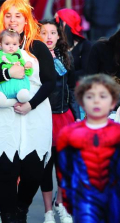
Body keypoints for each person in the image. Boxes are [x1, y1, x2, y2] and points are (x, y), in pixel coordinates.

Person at [0, 0, 56, 222]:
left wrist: (32, 103)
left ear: (26, 19)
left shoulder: (37, 46)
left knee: (33, 173)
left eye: (17, 16)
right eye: (8, 15)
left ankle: (22, 208)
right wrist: (7, 75)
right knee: (6, 173)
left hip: (34, 115)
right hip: (2, 116)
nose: (12, 21)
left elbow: (50, 82)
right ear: (2, 18)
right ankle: (10, 217)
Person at [57, 74, 120, 223]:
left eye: (103, 96)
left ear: (113, 102)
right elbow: (64, 170)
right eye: (90, 97)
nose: (96, 101)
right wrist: (67, 198)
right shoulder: (68, 133)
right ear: (82, 103)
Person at [39, 19, 79, 223]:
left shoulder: (66, 57)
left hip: (64, 117)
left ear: (58, 36)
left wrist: (78, 116)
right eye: (44, 33)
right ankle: (47, 212)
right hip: (42, 117)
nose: (48, 37)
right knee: (45, 167)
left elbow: (72, 89)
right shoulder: (33, 58)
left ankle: (60, 204)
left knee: (64, 167)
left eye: (52, 33)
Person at [0, 29, 33, 108]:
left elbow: (28, 69)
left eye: (14, 44)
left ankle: (20, 99)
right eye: (7, 44)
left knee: (24, 97)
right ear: (0, 44)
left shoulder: (21, 53)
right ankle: (15, 102)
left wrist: (28, 65)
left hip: (19, 84)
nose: (11, 47)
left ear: (19, 44)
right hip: (3, 86)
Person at [55, 9, 91, 83]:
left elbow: (86, 71)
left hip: (77, 90)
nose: (53, 24)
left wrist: (66, 78)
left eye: (55, 21)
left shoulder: (85, 45)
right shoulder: (53, 43)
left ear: (64, 24)